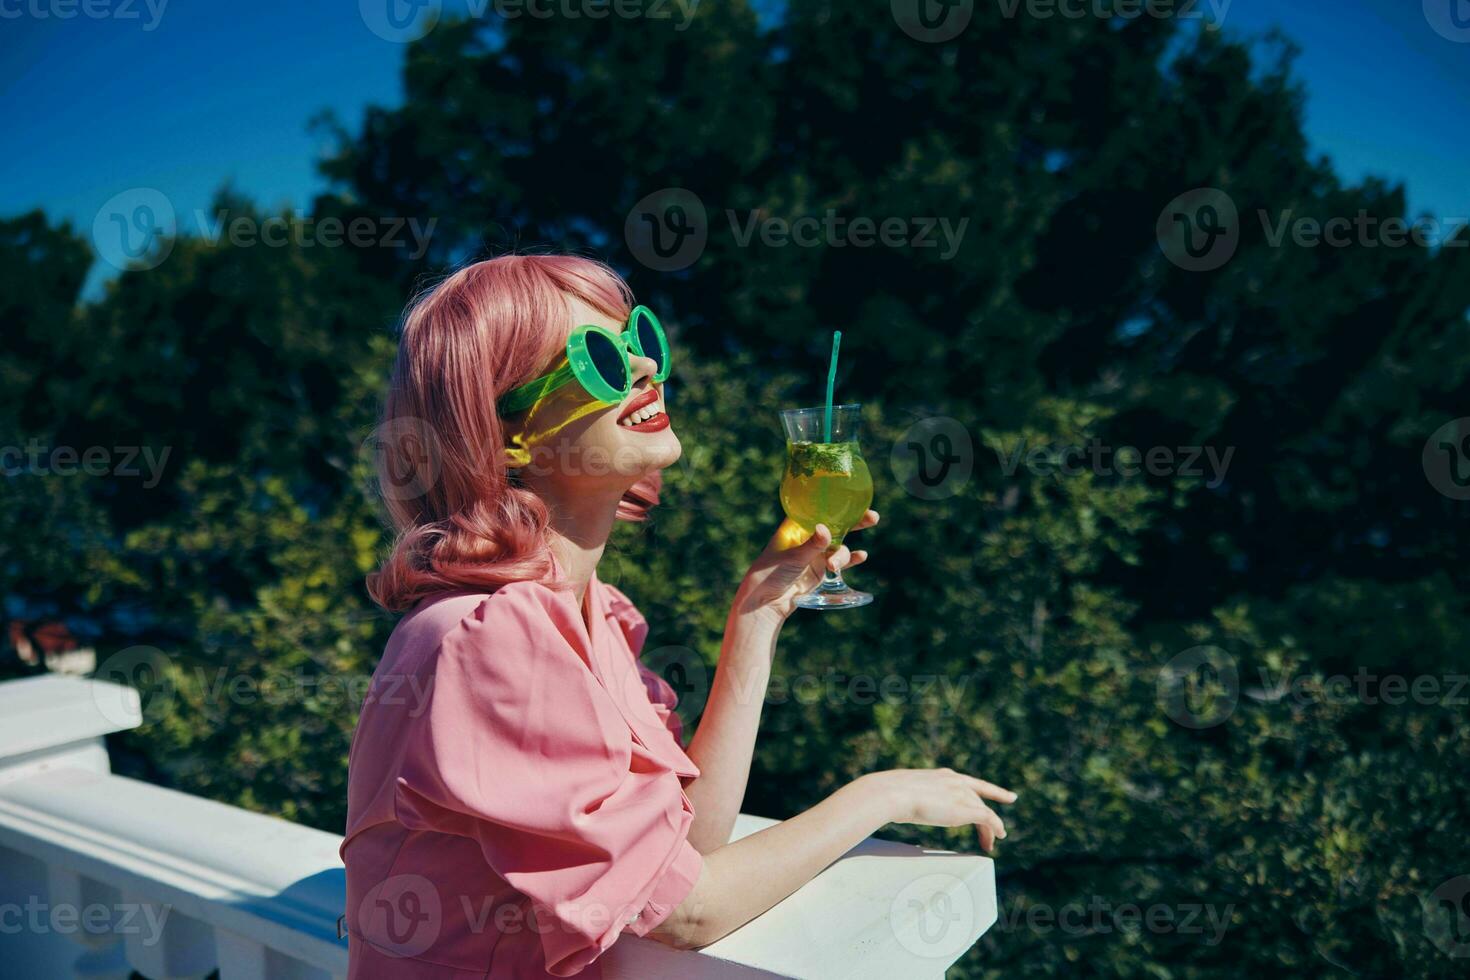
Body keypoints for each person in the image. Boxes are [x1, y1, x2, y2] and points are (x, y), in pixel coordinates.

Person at [340, 254, 1016, 978]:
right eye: (600, 358)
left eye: (641, 340)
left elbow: (686, 847)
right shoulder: (486, 636)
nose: (642, 368)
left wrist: (757, 614)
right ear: (509, 436)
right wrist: (878, 794)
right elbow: (685, 913)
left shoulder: (587, 617)